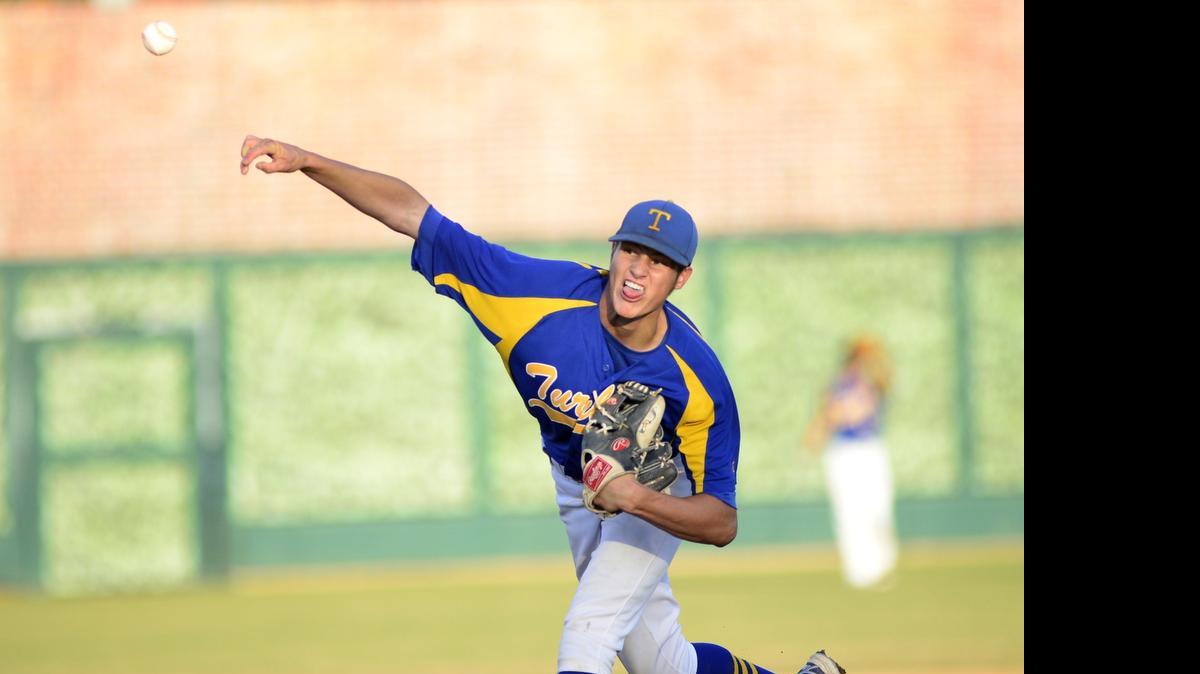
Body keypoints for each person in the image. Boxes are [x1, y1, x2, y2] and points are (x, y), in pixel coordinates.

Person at [239, 135, 846, 674]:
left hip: (657, 491)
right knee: (662, 664)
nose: (639, 270)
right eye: (632, 250)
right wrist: (309, 161)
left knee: (584, 643)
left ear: (681, 279)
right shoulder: (532, 295)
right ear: (613, 251)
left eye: (659, 262)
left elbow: (722, 522)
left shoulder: (697, 381)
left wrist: (635, 497)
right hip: (577, 482)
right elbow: (416, 216)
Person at [803, 336, 898, 590]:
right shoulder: (840, 384)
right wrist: (814, 439)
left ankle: (881, 564)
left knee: (878, 506)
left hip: (870, 447)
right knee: (850, 511)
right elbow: (831, 414)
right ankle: (859, 571)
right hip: (844, 450)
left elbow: (884, 381)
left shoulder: (874, 380)